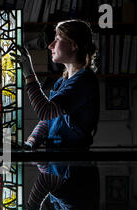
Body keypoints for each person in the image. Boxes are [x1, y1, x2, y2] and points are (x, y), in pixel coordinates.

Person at [15, 20, 100, 151]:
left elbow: (45, 111)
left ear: (73, 45)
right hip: (56, 160)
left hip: (74, 162)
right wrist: (31, 141)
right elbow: (49, 120)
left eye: (57, 39)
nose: (50, 45)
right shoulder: (62, 81)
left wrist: (29, 75)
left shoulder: (84, 81)